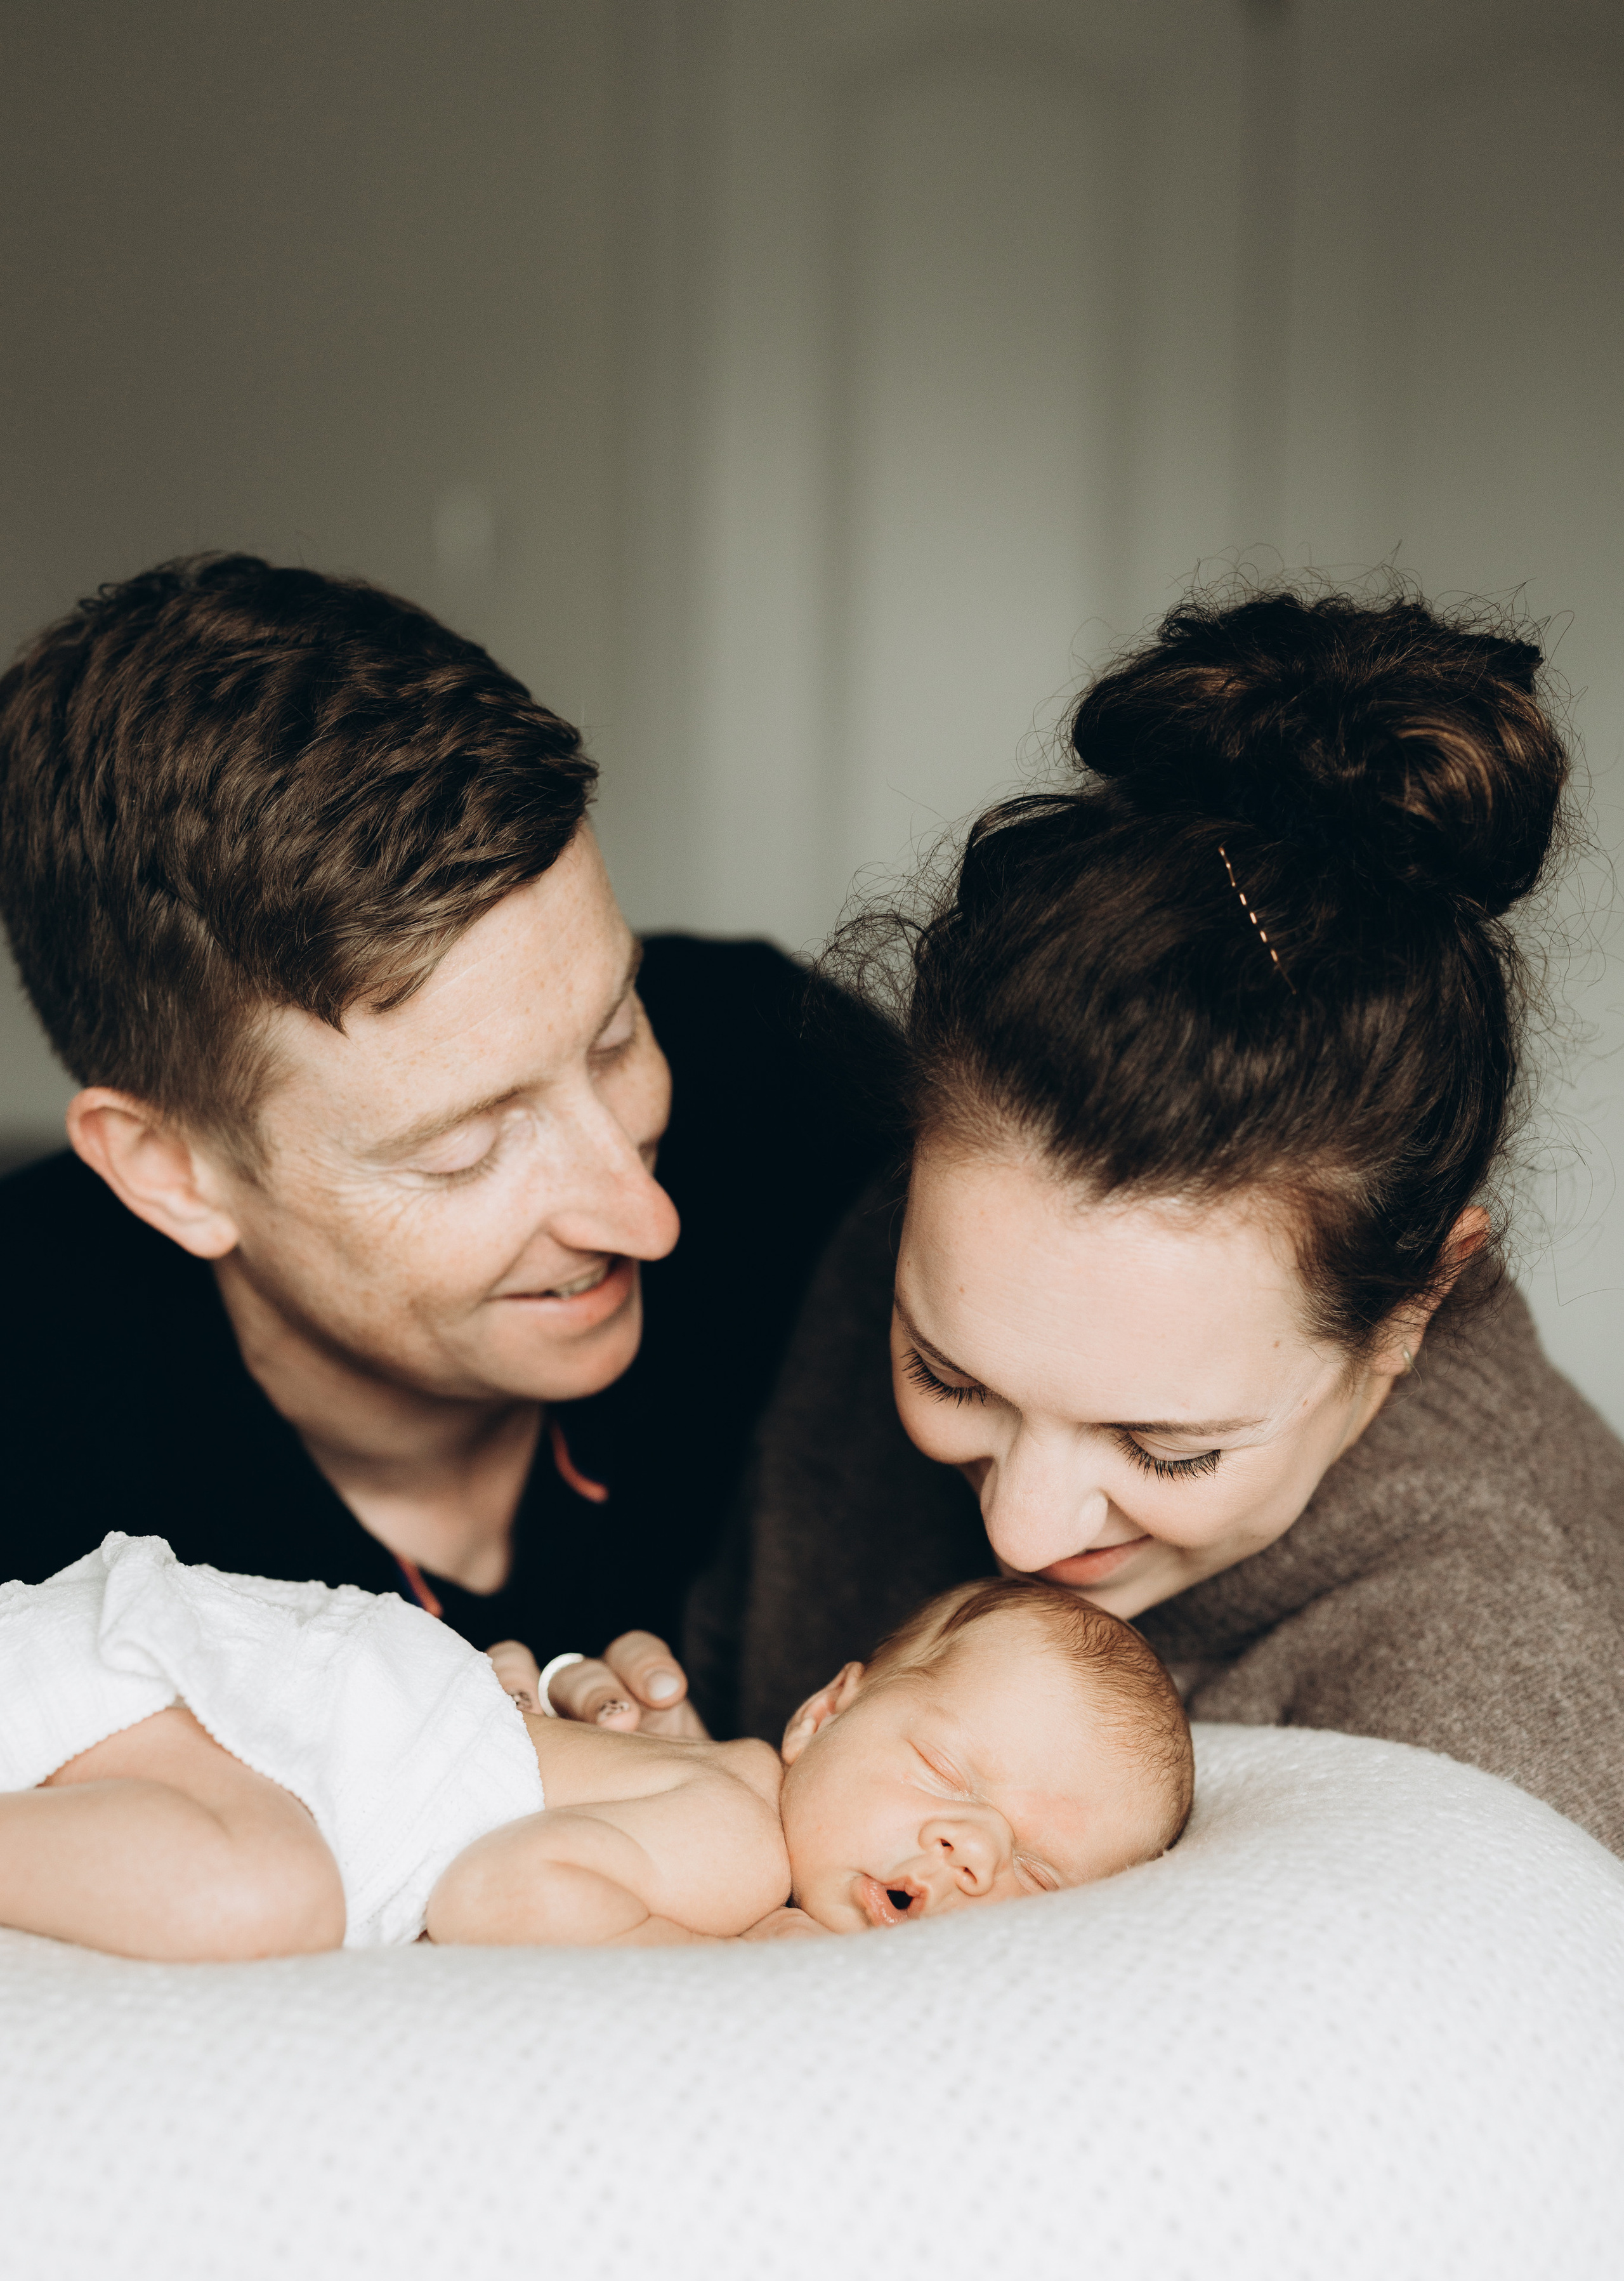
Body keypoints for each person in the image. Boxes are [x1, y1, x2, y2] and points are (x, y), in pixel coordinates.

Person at [580, 582, 1624, 1857]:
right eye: (945, 1375)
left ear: (1410, 1310)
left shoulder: (1503, 1697)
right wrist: (690, 1798)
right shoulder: (893, 1253)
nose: (1021, 1530)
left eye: (1164, 1449)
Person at [0, 556, 886, 1697]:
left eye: (617, 1036)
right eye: (463, 1149)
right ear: (170, 1171)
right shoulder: (33, 1476)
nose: (646, 1218)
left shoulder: (799, 1089)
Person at [0, 1533, 1190, 1956]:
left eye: (1037, 1872)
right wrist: (734, 1962)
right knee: (255, 1894)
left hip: (204, 1695)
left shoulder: (706, 1792)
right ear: (824, 1714)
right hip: (213, 1699)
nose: (970, 1847)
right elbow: (499, 1893)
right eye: (946, 1771)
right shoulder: (736, 1847)